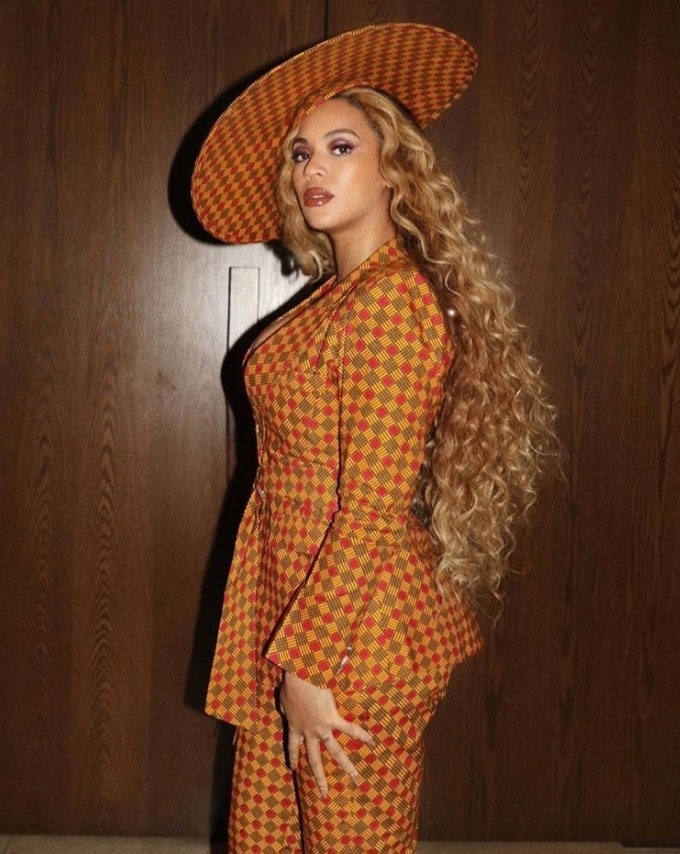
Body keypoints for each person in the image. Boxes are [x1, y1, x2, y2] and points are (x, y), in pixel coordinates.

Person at [191, 23, 556, 854]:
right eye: (299, 154)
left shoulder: (391, 302)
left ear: (394, 167)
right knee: (263, 837)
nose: (311, 169)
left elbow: (371, 506)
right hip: (291, 613)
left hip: (352, 641)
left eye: (339, 147)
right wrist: (285, 651)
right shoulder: (339, 295)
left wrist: (310, 666)